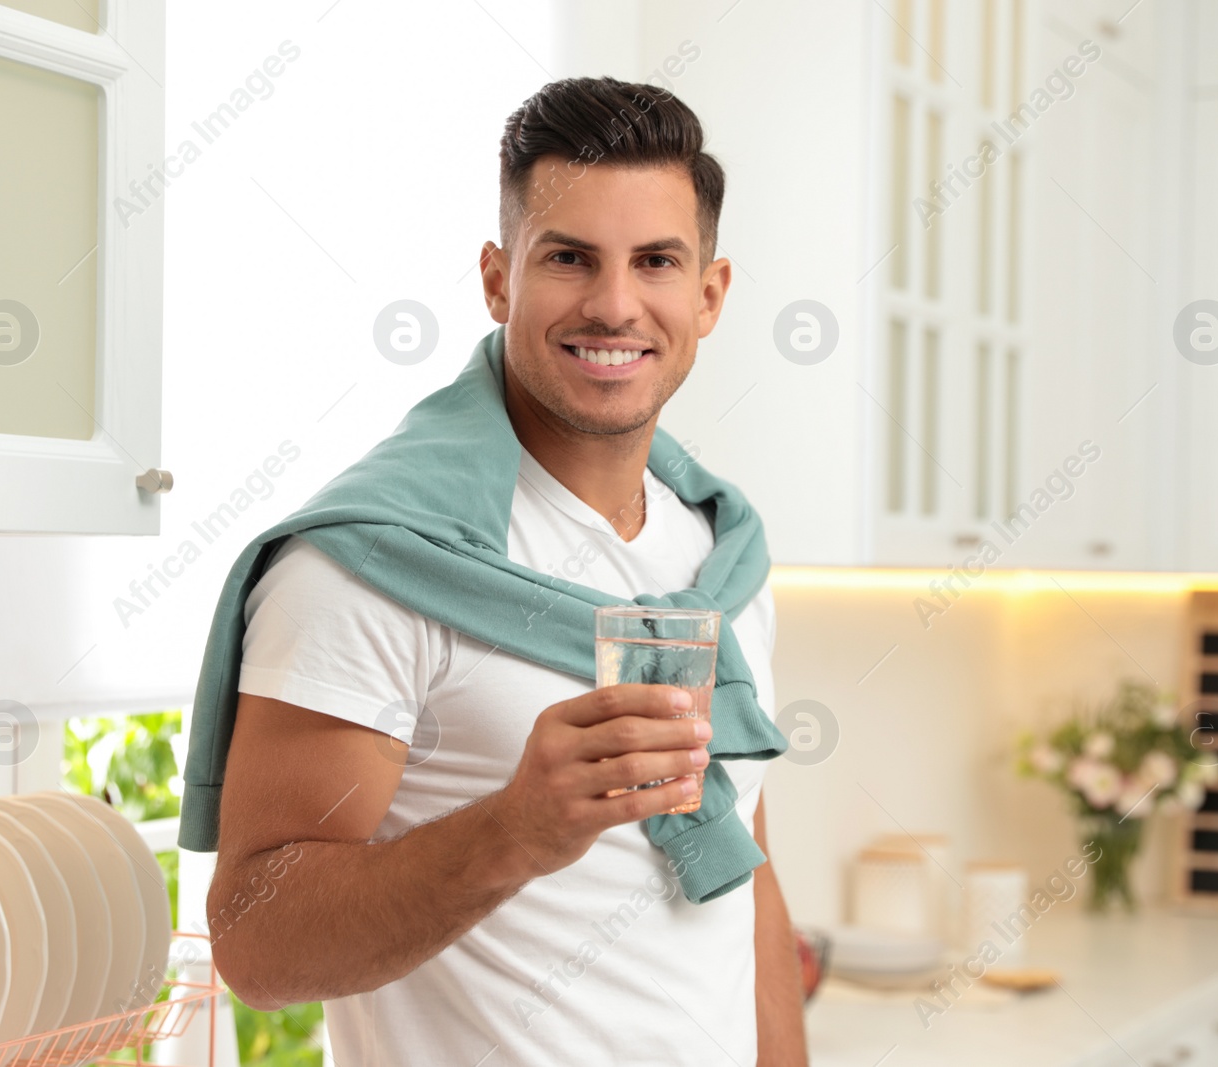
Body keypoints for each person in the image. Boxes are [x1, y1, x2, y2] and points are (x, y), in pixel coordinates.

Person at [204, 75, 808, 1065]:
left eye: (655, 261)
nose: (616, 304)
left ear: (708, 294)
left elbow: (751, 868)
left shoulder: (721, 558)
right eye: (569, 258)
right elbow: (257, 945)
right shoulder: (367, 564)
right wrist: (516, 829)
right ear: (497, 278)